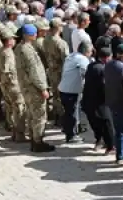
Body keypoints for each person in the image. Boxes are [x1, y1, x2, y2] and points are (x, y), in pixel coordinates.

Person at [15, 24, 54, 152]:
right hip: (34, 88)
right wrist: (43, 88)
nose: (36, 35)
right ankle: (38, 141)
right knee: (39, 115)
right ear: (29, 35)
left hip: (25, 87)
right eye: (34, 33)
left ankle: (34, 139)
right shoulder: (27, 51)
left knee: (31, 113)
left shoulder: (19, 48)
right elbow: (34, 71)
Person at [58, 41, 93, 143]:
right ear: (86, 51)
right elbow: (88, 73)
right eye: (91, 51)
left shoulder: (72, 56)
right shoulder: (82, 59)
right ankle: (71, 136)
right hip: (71, 91)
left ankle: (68, 130)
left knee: (68, 112)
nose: (91, 53)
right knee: (71, 113)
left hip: (64, 88)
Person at [82, 47, 114, 154]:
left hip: (88, 100)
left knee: (95, 123)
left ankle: (99, 140)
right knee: (107, 124)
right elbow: (104, 86)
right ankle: (110, 146)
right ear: (107, 58)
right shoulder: (103, 69)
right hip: (100, 102)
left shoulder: (91, 66)